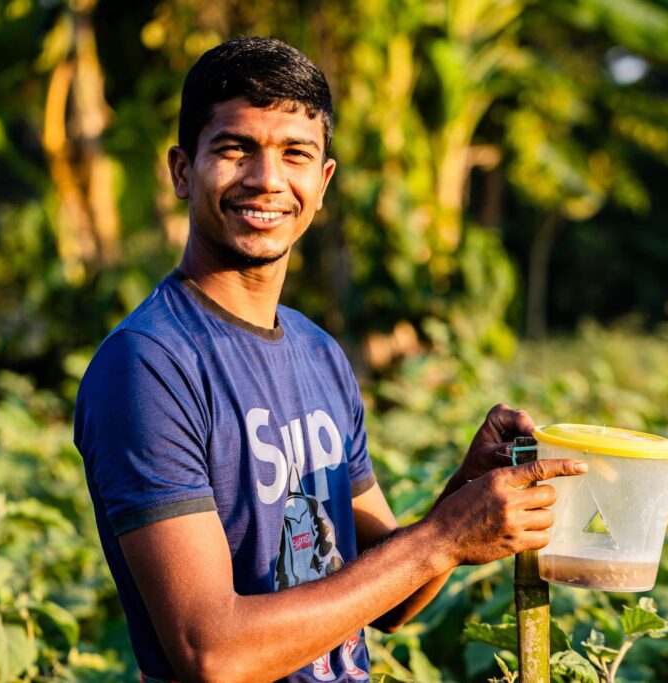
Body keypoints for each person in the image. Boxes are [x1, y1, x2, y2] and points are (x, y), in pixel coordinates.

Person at [74, 36, 586, 683]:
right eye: (236, 149)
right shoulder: (148, 365)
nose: (267, 179)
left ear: (322, 182)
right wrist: (444, 536)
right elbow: (214, 653)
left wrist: (464, 491)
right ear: (181, 169)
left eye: (295, 154)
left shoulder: (318, 352)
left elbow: (392, 599)